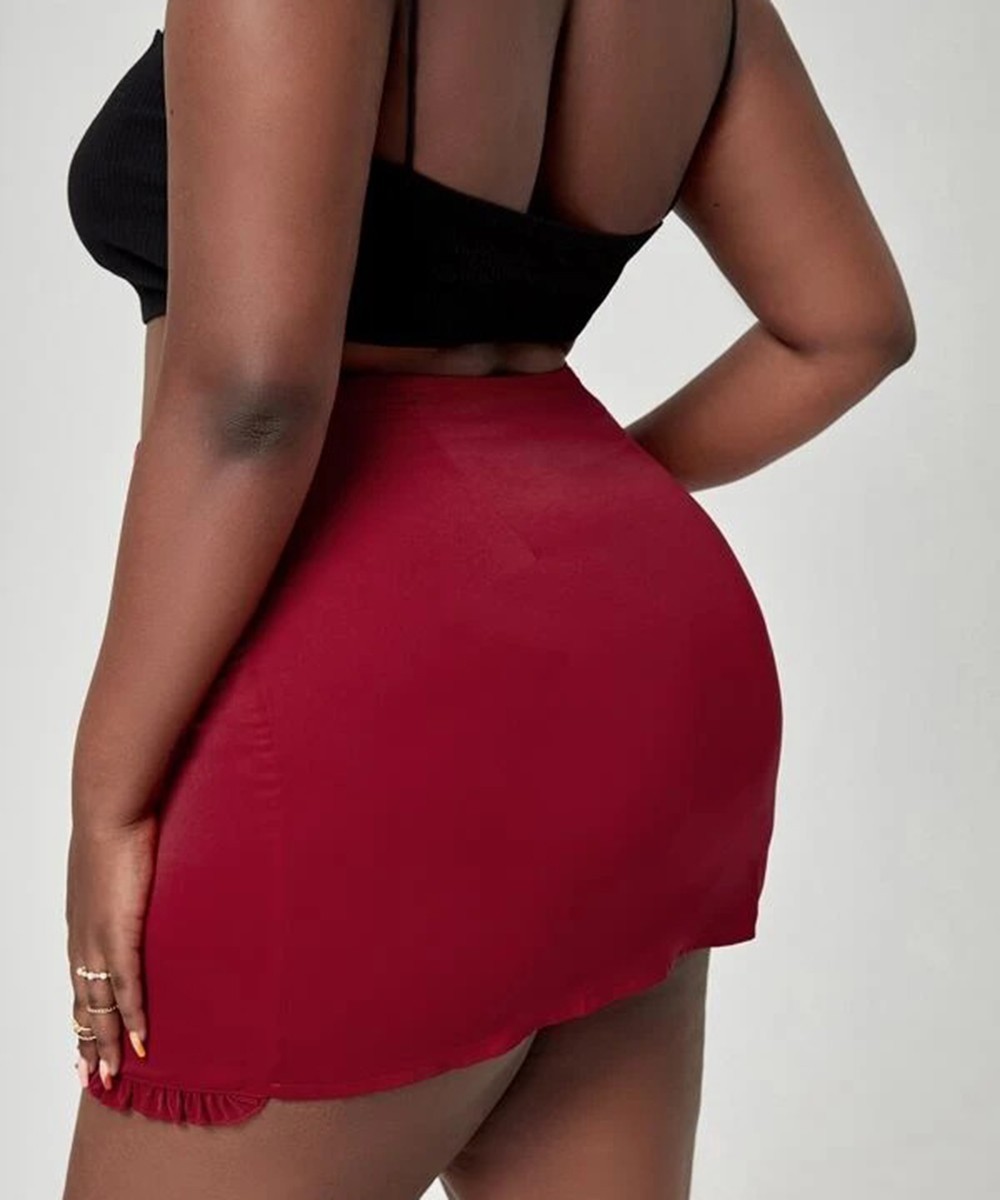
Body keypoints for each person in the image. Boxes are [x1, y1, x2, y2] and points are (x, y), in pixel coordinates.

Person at [61, 1, 914, 1197]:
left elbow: (254, 400)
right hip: (644, 658)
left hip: (359, 692)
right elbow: (850, 328)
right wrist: (563, 514)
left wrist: (104, 800)